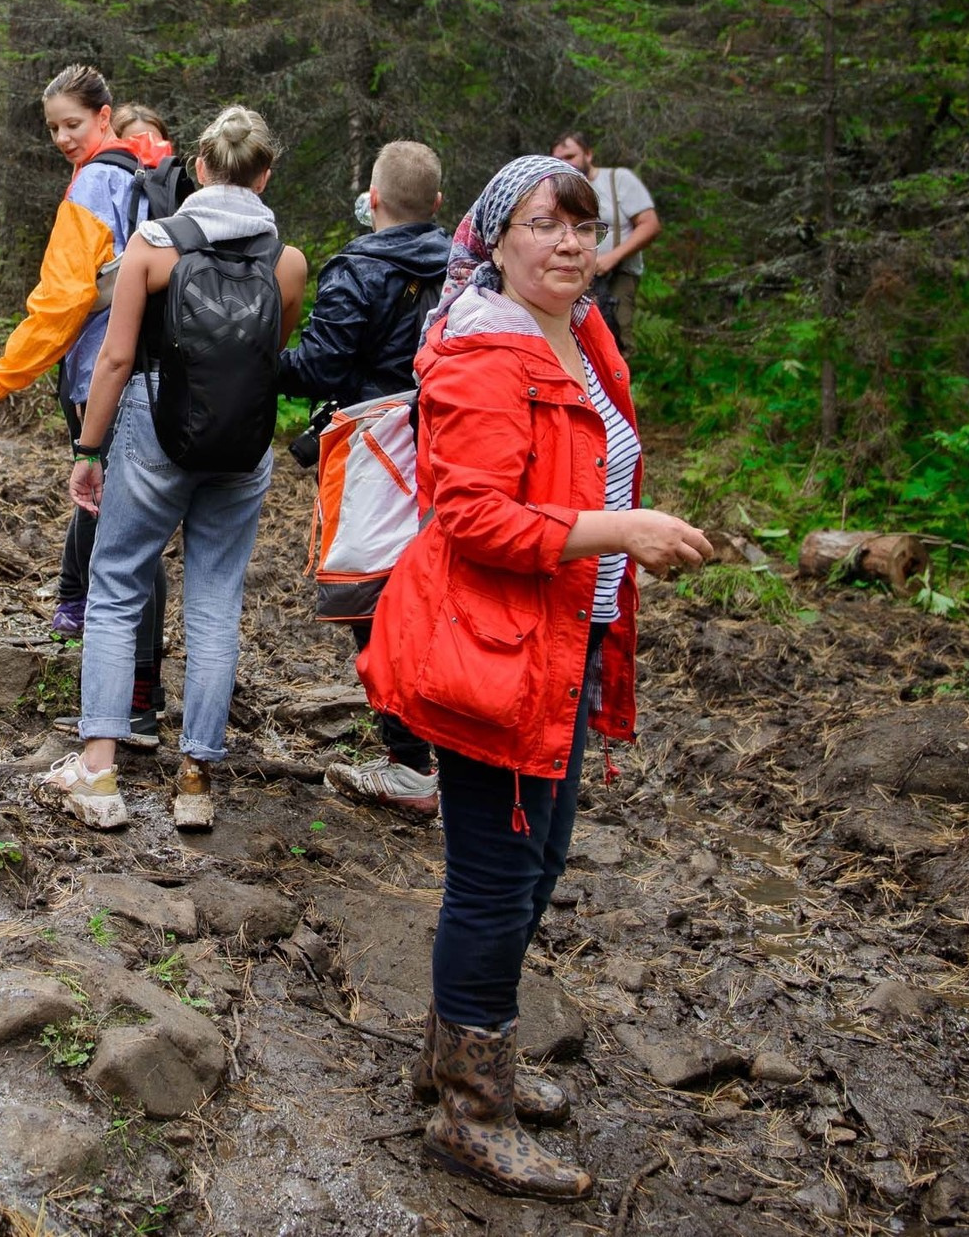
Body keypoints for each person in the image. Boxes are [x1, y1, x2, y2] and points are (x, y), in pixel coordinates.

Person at [361, 155, 708, 1199]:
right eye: (545, 224)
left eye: (584, 225)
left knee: (538, 862)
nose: (569, 243)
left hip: (562, 637)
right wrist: (622, 531)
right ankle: (471, 1114)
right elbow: (473, 516)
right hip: (490, 647)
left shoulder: (581, 332)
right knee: (496, 877)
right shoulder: (482, 349)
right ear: (496, 238)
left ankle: (454, 1060)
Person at [44, 106, 308, 833]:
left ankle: (99, 772)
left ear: (198, 168)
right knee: (216, 600)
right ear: (265, 175)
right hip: (241, 444)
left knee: (116, 586)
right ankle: (195, 779)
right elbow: (268, 353)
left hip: (154, 427)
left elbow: (116, 359)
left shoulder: (153, 247)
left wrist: (88, 450)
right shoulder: (286, 261)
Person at [0, 66, 171, 747]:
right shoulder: (149, 172)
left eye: (73, 123)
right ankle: (138, 693)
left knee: (119, 539)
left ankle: (127, 704)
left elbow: (63, 298)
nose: (64, 138)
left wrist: (2, 379)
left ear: (105, 116)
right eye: (53, 129)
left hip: (103, 375)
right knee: (137, 532)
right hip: (155, 370)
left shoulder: (97, 181)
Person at [273, 140, 454, 819]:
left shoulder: (359, 268)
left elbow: (320, 367)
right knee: (436, 591)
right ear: (436, 203)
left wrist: (251, 354)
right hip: (447, 440)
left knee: (370, 599)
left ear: (372, 199)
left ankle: (409, 764)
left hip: (373, 446)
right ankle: (446, 753)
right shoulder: (467, 267)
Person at [549, 131, 658, 351]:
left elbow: (650, 225)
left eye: (570, 156)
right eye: (558, 159)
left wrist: (612, 258)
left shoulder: (618, 180)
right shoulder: (558, 190)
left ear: (588, 154)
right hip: (574, 274)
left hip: (616, 276)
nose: (565, 163)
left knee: (615, 339)